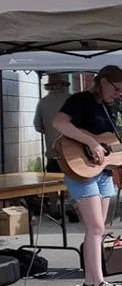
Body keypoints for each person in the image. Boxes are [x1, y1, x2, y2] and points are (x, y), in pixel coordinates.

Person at [51, 66, 122, 286]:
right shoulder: (80, 100)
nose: (118, 95)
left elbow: (110, 145)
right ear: (102, 81)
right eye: (116, 89)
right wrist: (90, 142)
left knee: (97, 230)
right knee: (96, 229)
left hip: (101, 173)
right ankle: (99, 283)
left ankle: (91, 281)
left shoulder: (108, 108)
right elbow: (59, 123)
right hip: (80, 170)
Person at [34, 74, 77, 221]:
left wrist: (49, 131)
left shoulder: (43, 102)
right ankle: (71, 204)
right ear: (64, 85)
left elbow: (38, 126)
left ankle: (53, 208)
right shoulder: (72, 100)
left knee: (52, 180)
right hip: (72, 150)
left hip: (52, 149)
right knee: (73, 177)